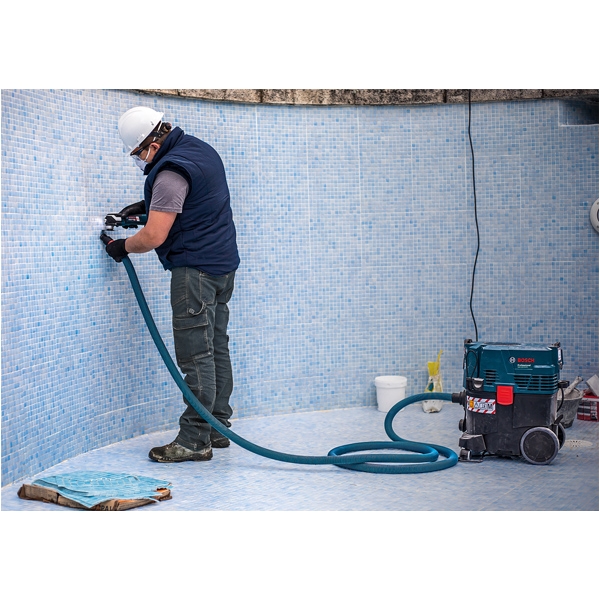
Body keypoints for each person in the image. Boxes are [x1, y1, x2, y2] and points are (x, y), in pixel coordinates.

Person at [105, 106, 240, 463]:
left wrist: (122, 246)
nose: (139, 160)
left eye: (137, 154)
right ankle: (217, 426)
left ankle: (195, 439)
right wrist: (149, 205)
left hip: (195, 272)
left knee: (196, 355)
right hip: (223, 267)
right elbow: (193, 201)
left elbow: (153, 236)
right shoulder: (198, 149)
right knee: (216, 346)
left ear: (151, 144)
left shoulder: (168, 174)